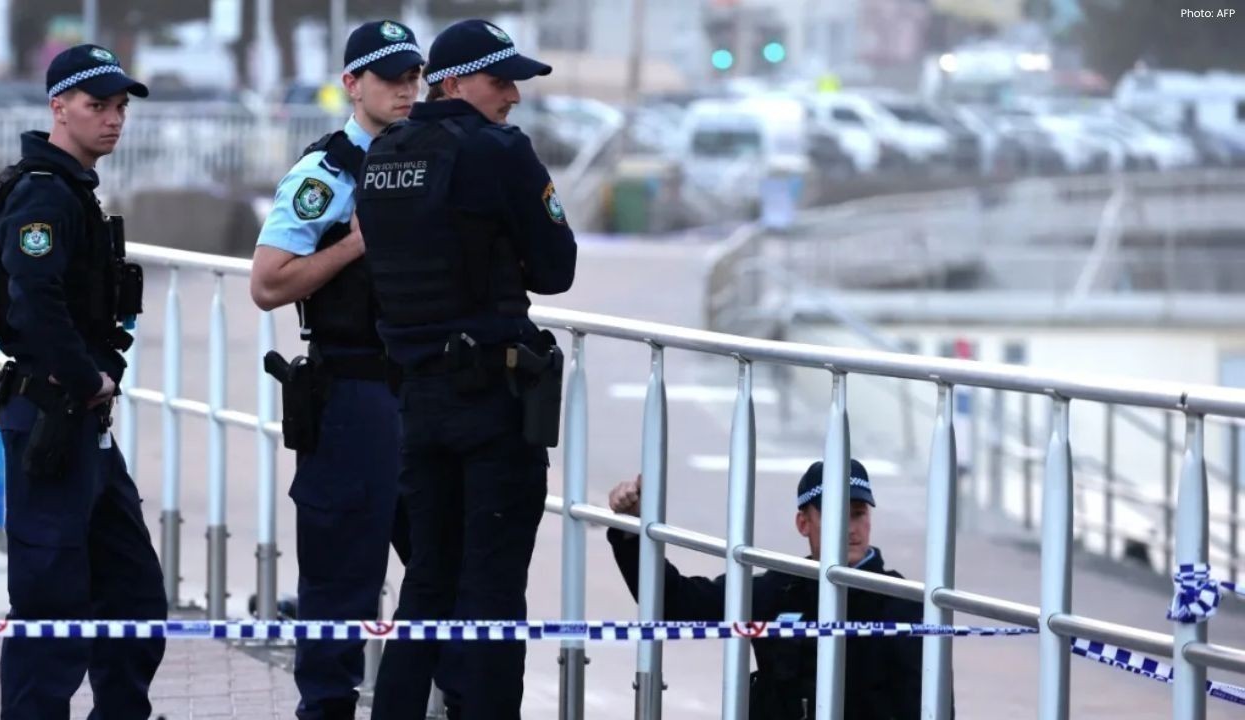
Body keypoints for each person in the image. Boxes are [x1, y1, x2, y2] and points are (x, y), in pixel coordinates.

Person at [360, 18, 577, 720]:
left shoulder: (384, 154)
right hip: (491, 402)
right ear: (455, 82)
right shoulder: (500, 153)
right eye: (500, 79)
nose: (513, 95)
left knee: (426, 583)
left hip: (418, 400)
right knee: (490, 591)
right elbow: (557, 268)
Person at [0, 44, 164, 719]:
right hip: (53, 415)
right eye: (98, 106)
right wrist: (88, 377)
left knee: (135, 593)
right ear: (59, 108)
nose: (114, 120)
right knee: (51, 602)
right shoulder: (42, 194)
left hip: (82, 422)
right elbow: (34, 303)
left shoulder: (73, 191)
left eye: (120, 107)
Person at [249, 20, 423, 720]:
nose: (406, 88)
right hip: (352, 393)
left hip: (423, 391)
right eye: (389, 77)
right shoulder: (325, 175)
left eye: (413, 75)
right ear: (352, 84)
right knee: (343, 578)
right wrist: (353, 245)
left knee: (445, 570)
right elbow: (268, 282)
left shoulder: (430, 160)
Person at [608, 459, 940, 719]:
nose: (850, 528)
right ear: (803, 523)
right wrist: (632, 531)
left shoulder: (905, 605)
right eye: (836, 514)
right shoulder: (779, 590)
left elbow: (935, 708)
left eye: (857, 514)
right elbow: (677, 605)